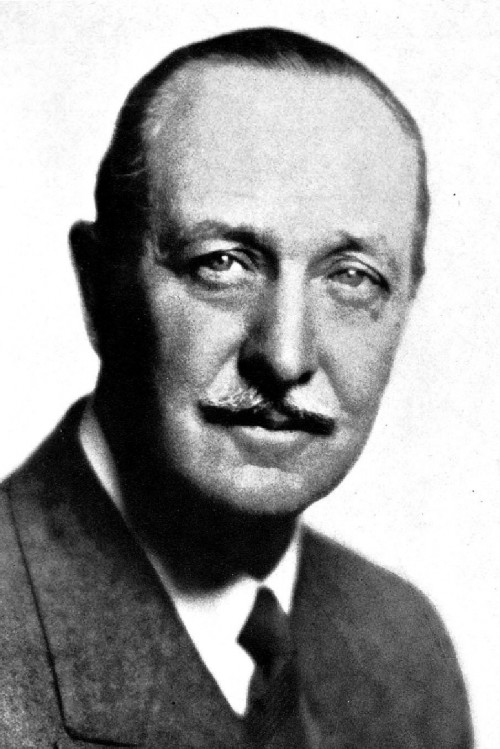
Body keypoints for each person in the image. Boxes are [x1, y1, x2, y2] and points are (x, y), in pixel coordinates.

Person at [0, 27, 472, 749]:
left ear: (406, 304)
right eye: (221, 263)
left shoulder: (405, 650)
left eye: (351, 277)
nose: (284, 356)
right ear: (99, 289)